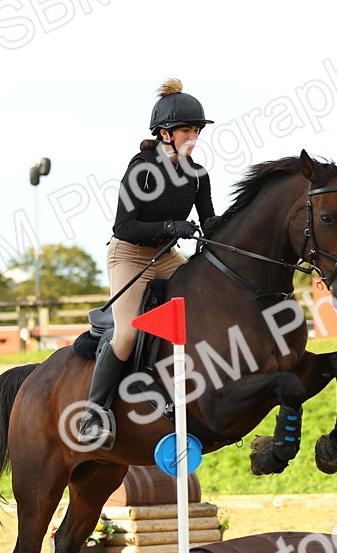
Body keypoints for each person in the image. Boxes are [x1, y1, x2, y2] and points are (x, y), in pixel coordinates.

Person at [77, 78, 217, 447]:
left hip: (167, 257)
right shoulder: (142, 169)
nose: (194, 136)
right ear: (164, 133)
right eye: (188, 129)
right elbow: (124, 226)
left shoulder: (198, 175)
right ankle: (94, 412)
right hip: (129, 254)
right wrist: (172, 225)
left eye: (197, 130)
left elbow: (211, 222)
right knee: (127, 333)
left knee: (208, 296)